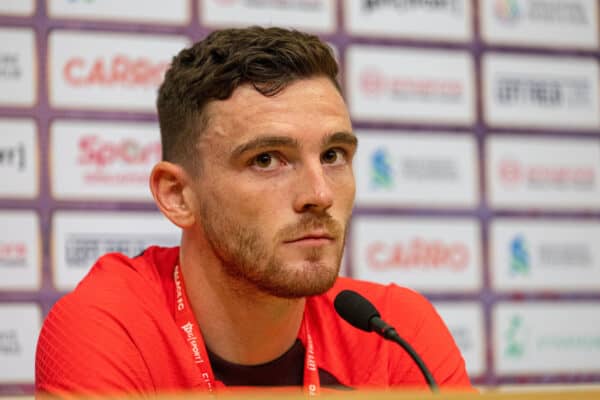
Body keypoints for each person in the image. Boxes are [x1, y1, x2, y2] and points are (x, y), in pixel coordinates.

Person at [36, 26, 473, 396]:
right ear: (177, 196)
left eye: (334, 155)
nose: (319, 194)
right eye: (267, 159)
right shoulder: (110, 328)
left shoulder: (394, 333)